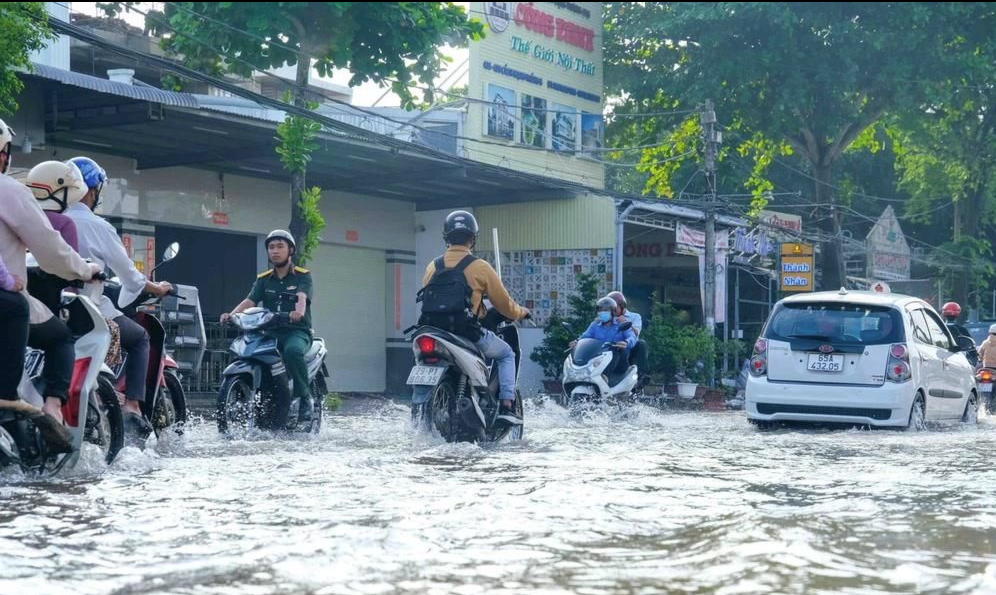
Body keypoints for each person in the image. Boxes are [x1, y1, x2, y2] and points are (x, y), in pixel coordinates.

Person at [0, 118, 102, 451]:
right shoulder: (10, 191)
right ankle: (52, 406)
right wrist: (86, 270)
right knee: (60, 337)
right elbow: (51, 250)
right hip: (12, 298)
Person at [66, 156, 172, 441]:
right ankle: (134, 407)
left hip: (45, 309)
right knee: (139, 338)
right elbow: (131, 277)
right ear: (91, 190)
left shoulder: (44, 219)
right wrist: (156, 288)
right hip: (88, 309)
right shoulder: (98, 226)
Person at [419, 211, 530, 425]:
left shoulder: (432, 266)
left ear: (446, 237)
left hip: (431, 331)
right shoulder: (480, 266)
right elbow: (504, 305)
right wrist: (520, 312)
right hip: (466, 331)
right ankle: (507, 404)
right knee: (507, 353)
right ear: (473, 237)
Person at [221, 230, 313, 428]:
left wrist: (298, 312)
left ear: (290, 250)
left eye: (280, 246)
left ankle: (304, 398)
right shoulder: (264, 279)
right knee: (248, 351)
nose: (275, 251)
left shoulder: (302, 277)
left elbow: (302, 297)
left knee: (292, 351)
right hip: (269, 331)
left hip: (296, 331)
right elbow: (250, 300)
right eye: (271, 247)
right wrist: (232, 314)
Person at [576, 296, 637, 378]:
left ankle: (604, 377)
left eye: (605, 310)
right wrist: (577, 342)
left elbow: (632, 337)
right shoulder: (595, 325)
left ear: (613, 312)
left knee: (615, 350)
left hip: (618, 362)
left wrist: (626, 342)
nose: (602, 313)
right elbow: (585, 336)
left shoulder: (621, 324)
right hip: (597, 361)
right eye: (600, 310)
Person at [607, 290, 650, 388]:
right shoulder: (609, 318)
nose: (612, 311)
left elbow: (636, 333)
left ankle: (643, 376)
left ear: (622, 306)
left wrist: (626, 322)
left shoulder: (635, 316)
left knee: (641, 344)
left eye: (614, 308)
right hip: (614, 349)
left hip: (629, 349)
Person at [941, 301, 978, 366]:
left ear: (944, 313)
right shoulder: (961, 330)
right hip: (957, 361)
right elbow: (970, 346)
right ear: (958, 314)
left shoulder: (937, 329)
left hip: (939, 357)